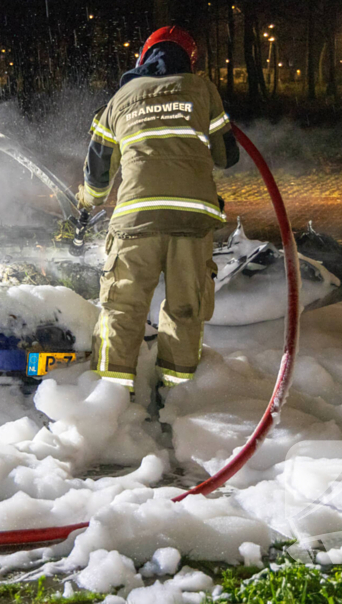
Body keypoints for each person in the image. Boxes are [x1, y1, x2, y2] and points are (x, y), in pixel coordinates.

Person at [77, 26, 239, 407]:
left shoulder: (118, 100)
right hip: (192, 223)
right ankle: (175, 403)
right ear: (190, 60)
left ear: (143, 57)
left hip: (136, 223)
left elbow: (97, 180)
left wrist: (85, 202)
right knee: (185, 310)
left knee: (123, 309)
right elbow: (226, 157)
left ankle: (111, 404)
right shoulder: (203, 91)